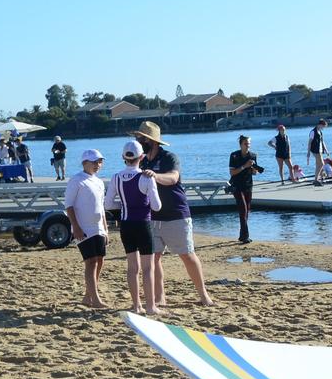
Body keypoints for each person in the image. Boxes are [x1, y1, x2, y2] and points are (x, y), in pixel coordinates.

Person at [132, 120, 214, 307]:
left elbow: (173, 178)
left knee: (187, 255)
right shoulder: (142, 160)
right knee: (155, 257)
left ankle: (203, 295)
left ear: (151, 140)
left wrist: (155, 175)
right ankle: (160, 297)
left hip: (176, 214)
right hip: (152, 217)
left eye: (141, 137)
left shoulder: (169, 157)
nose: (138, 140)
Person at [108, 140, 162, 314]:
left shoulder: (116, 177)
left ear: (123, 157)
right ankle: (151, 306)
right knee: (147, 268)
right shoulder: (146, 177)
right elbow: (156, 206)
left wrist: (125, 206)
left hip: (126, 225)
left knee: (132, 268)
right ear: (142, 157)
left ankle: (136, 305)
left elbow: (108, 204)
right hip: (143, 224)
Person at [63, 149, 109, 308]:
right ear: (85, 163)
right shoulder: (76, 180)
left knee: (100, 260)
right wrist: (75, 227)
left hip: (98, 227)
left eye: (100, 162)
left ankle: (88, 295)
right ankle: (95, 299)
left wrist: (105, 228)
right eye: (94, 162)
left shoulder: (99, 182)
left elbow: (101, 207)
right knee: (90, 262)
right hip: (83, 227)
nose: (98, 165)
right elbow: (69, 206)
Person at [228, 135, 259, 243]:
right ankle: (245, 236)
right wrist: (244, 166)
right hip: (236, 186)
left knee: (246, 211)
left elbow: (255, 172)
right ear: (241, 144)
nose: (248, 146)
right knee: (243, 209)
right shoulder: (234, 155)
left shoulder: (253, 156)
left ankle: (242, 235)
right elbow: (232, 172)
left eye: (249, 143)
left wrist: (254, 170)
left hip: (248, 185)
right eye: (245, 143)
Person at [307, 119, 329, 185]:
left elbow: (322, 141)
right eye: (323, 126)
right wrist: (308, 152)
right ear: (320, 125)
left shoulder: (320, 132)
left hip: (320, 150)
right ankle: (316, 179)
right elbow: (309, 142)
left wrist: (326, 150)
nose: (323, 128)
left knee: (318, 165)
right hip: (315, 150)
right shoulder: (313, 132)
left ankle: (316, 179)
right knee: (321, 164)